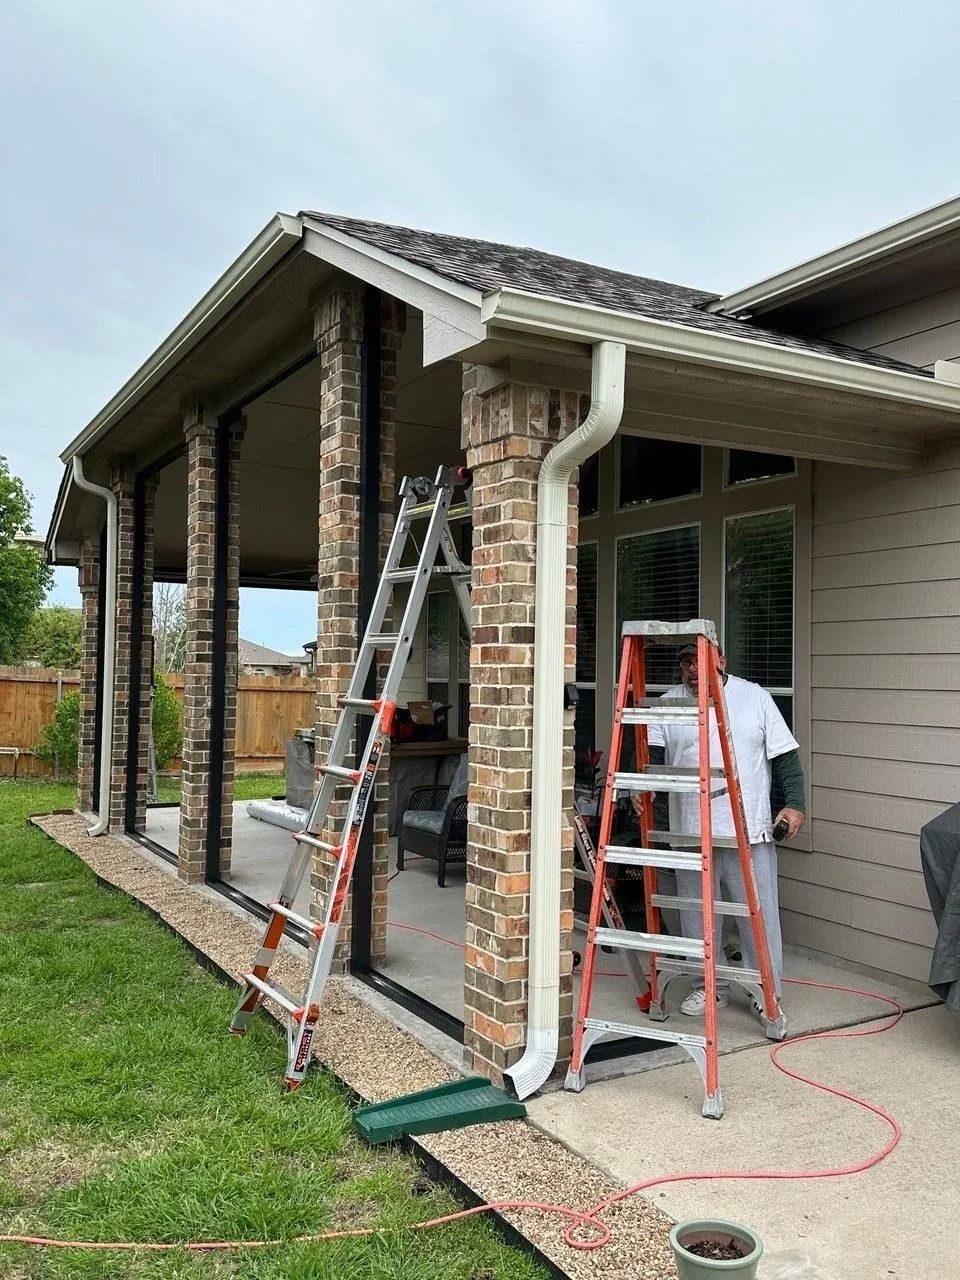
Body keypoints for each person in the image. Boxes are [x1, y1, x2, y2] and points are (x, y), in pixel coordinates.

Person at [633, 642, 805, 1019]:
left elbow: (786, 756)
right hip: (690, 831)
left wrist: (795, 804)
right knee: (697, 915)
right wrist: (641, 786)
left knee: (757, 914)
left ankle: (766, 991)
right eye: (686, 662)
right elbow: (651, 757)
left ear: (721, 661)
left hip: (747, 828)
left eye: (700, 661)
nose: (693, 670)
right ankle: (709, 988)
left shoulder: (753, 698)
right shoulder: (667, 703)